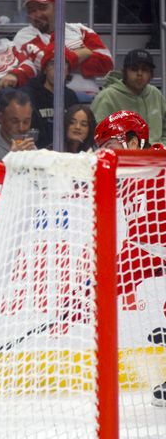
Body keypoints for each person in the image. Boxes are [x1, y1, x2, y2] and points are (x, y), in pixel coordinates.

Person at [93, 110, 166, 406]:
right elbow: (141, 241)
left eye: (111, 145)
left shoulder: (160, 160)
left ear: (134, 141)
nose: (106, 155)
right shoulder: (128, 178)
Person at [13, 0, 113, 101]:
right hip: (49, 98)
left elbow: (106, 63)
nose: (38, 14)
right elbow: (48, 66)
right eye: (32, 10)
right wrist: (84, 53)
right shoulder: (24, 36)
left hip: (89, 97)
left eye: (43, 7)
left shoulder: (80, 30)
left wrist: (66, 61)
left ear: (56, 7)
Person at [91, 49, 166, 146]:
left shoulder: (155, 94)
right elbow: (98, 137)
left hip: (158, 155)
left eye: (145, 70)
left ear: (151, 74)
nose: (139, 74)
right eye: (134, 69)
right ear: (124, 72)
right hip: (121, 156)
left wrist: (161, 147)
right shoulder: (107, 97)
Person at [21, 44, 79, 148]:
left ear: (68, 71)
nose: (58, 68)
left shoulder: (71, 96)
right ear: (45, 69)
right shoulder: (29, 95)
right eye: (53, 63)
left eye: (63, 64)